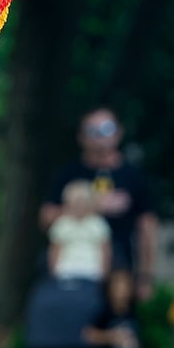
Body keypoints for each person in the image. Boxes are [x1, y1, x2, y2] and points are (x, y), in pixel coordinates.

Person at [40, 108, 158, 297]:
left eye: (106, 129)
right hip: (71, 270)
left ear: (119, 132)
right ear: (81, 136)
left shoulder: (135, 177)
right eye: (92, 130)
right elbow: (45, 218)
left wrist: (145, 277)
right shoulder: (68, 174)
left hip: (119, 271)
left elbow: (148, 228)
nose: (100, 137)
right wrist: (94, 206)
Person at [48, 180, 112, 282]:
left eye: (82, 201)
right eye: (75, 202)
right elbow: (55, 251)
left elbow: (105, 251)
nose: (79, 206)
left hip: (92, 272)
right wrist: (54, 273)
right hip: (65, 271)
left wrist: (104, 275)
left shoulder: (98, 224)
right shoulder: (62, 224)